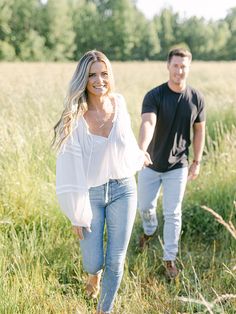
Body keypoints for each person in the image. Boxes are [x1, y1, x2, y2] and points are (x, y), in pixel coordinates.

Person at [53, 50, 144, 313]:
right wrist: (76, 213)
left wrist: (140, 156)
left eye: (104, 73)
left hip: (123, 189)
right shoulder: (75, 118)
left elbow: (126, 142)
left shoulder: (120, 103)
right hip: (90, 194)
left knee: (116, 261)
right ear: (84, 79)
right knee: (93, 262)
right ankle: (94, 275)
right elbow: (68, 169)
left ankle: (103, 310)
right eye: (92, 74)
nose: (99, 80)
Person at [137, 48, 206, 279]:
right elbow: (148, 122)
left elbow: (199, 131)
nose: (179, 70)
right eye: (175, 65)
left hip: (178, 165)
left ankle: (169, 259)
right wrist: (142, 149)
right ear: (168, 66)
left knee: (173, 212)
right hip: (150, 163)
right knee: (145, 207)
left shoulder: (196, 98)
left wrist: (196, 161)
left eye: (183, 66)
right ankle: (149, 230)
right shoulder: (154, 96)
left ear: (189, 67)